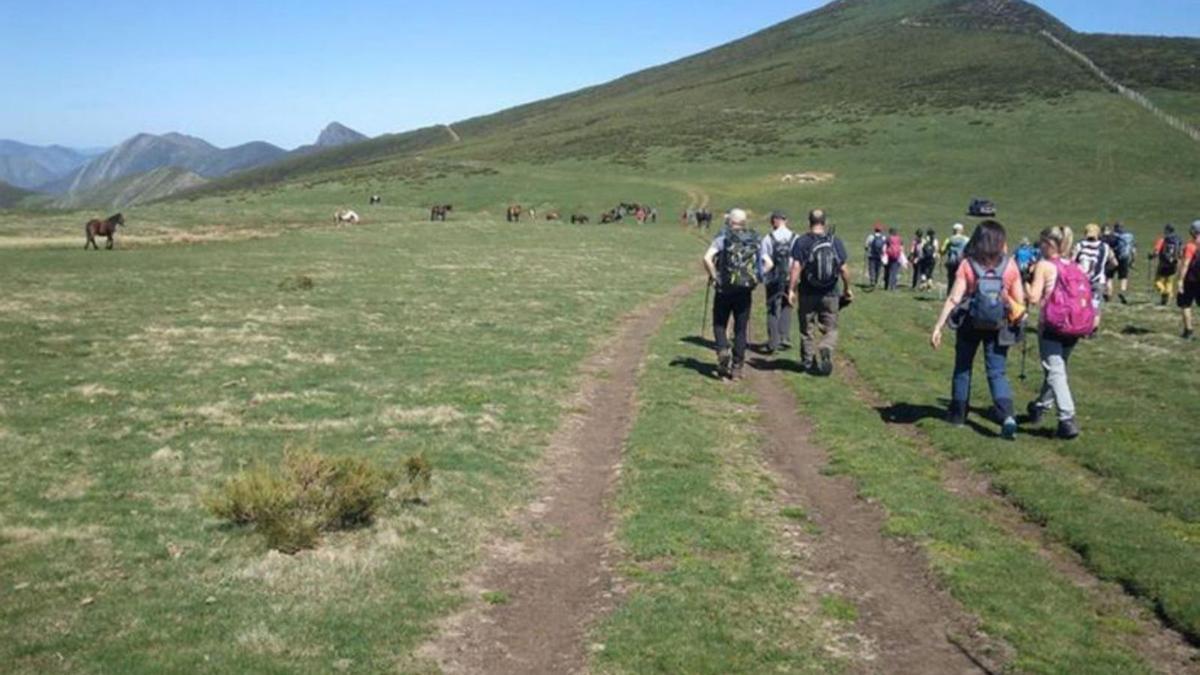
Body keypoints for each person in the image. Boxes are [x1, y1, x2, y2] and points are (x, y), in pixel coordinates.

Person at [930, 220, 1027, 439]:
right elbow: (1019, 302)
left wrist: (939, 326)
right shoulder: (1010, 266)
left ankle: (958, 415)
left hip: (969, 323)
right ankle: (1007, 416)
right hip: (999, 325)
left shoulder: (968, 264)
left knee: (963, 368)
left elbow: (954, 298)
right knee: (997, 372)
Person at [1026, 226, 1083, 439]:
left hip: (1051, 324)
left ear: (1049, 244)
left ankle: (1066, 418)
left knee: (1055, 371)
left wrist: (1025, 280)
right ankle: (1040, 406)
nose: (1039, 247)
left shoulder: (1045, 266)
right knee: (1057, 368)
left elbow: (1033, 298)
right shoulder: (1074, 266)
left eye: (1041, 243)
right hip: (1074, 325)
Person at [788, 209, 852, 376]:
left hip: (808, 292)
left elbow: (795, 267)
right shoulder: (834, 242)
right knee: (831, 328)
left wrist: (791, 289)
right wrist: (847, 289)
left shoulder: (801, 241)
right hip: (830, 293)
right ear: (824, 222)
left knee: (806, 329)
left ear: (809, 221)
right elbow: (844, 269)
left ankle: (808, 362)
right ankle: (826, 347)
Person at [703, 208, 766, 380]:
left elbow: (707, 258)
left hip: (724, 289)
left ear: (730, 221)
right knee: (740, 328)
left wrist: (715, 276)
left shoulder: (723, 237)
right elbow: (768, 263)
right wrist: (756, 279)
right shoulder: (754, 239)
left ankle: (723, 349)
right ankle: (737, 368)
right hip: (745, 291)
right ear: (744, 222)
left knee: (719, 323)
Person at [760, 210, 796, 354]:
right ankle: (784, 336)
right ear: (785, 220)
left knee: (771, 308)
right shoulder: (795, 238)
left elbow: (765, 261)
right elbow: (797, 261)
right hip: (790, 277)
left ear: (774, 221)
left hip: (773, 278)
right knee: (787, 305)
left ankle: (773, 342)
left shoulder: (767, 238)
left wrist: (762, 276)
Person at [1072, 223, 1114, 314]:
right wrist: (1105, 270)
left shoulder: (1079, 245)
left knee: (1081, 307)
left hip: (1081, 280)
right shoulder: (1105, 247)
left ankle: (1081, 325)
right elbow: (1114, 263)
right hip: (1098, 280)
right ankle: (1093, 327)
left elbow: (1071, 261)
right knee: (1095, 309)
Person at [1177, 221, 1200, 340]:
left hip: (1190, 280)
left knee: (1186, 304)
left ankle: (1188, 331)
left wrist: (1180, 280)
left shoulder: (1190, 246)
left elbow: (1185, 264)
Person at [1151, 224, 1184, 306]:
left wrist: (1151, 256)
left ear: (1167, 230)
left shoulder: (1163, 240)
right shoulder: (1178, 240)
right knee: (1169, 282)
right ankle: (1167, 298)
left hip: (1163, 264)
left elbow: (1156, 252)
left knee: (1157, 281)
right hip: (1174, 264)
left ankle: (1163, 293)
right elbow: (1181, 253)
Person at [1110, 222, 1136, 304]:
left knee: (1109, 276)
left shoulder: (1113, 236)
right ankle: (1122, 291)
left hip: (1114, 257)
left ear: (1115, 228)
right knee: (1123, 277)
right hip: (1125, 258)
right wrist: (1133, 260)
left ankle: (1108, 294)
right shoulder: (1129, 237)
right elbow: (1133, 250)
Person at [942, 223, 970, 291]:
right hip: (961, 262)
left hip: (951, 262)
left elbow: (942, 250)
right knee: (961, 279)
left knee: (951, 279)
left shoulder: (949, 239)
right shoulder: (966, 239)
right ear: (961, 230)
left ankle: (949, 294)